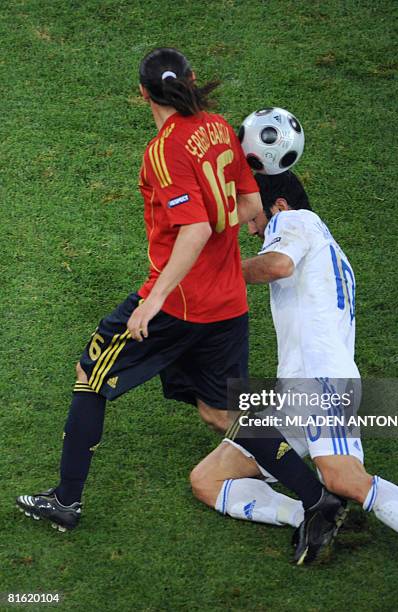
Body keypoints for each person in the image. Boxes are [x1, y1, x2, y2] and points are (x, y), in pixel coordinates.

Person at [190, 171, 398, 611]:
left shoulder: (297, 221)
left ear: (279, 205)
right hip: (295, 392)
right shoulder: (322, 243)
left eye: (253, 214)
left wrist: (219, 272)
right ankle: (310, 511)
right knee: (207, 480)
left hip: (323, 381)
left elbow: (279, 265)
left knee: (344, 477)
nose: (249, 226)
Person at [16, 47, 262, 532]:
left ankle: (66, 501)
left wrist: (152, 301)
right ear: (192, 80)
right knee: (219, 410)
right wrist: (225, 227)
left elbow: (191, 231)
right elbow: (249, 206)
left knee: (90, 374)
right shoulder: (217, 126)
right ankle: (307, 475)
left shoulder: (165, 151)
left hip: (176, 302)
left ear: (142, 93)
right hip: (226, 301)